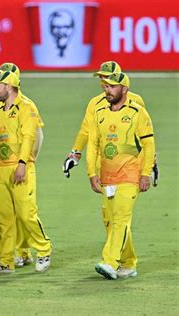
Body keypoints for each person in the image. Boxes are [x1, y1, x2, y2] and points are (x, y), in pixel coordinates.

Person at [63, 61, 159, 240]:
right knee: (110, 216)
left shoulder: (135, 101)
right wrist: (75, 153)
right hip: (104, 163)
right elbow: (86, 131)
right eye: (101, 77)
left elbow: (146, 136)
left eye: (106, 77)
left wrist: (151, 164)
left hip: (130, 164)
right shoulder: (95, 104)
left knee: (121, 215)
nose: (102, 80)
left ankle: (116, 259)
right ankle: (123, 258)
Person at [0, 71, 52, 273]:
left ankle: (44, 250)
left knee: (26, 213)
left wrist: (22, 164)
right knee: (4, 218)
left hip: (19, 168)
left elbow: (29, 136)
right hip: (0, 170)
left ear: (10, 86)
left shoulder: (26, 107)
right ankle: (5, 262)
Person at [87, 72, 155, 280]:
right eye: (105, 86)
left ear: (124, 89)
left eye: (112, 87)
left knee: (121, 219)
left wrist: (146, 173)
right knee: (110, 221)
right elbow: (93, 145)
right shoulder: (99, 113)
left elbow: (149, 145)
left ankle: (109, 261)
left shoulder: (137, 113)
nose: (107, 90)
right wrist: (92, 172)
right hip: (107, 177)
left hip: (130, 175)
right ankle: (128, 263)